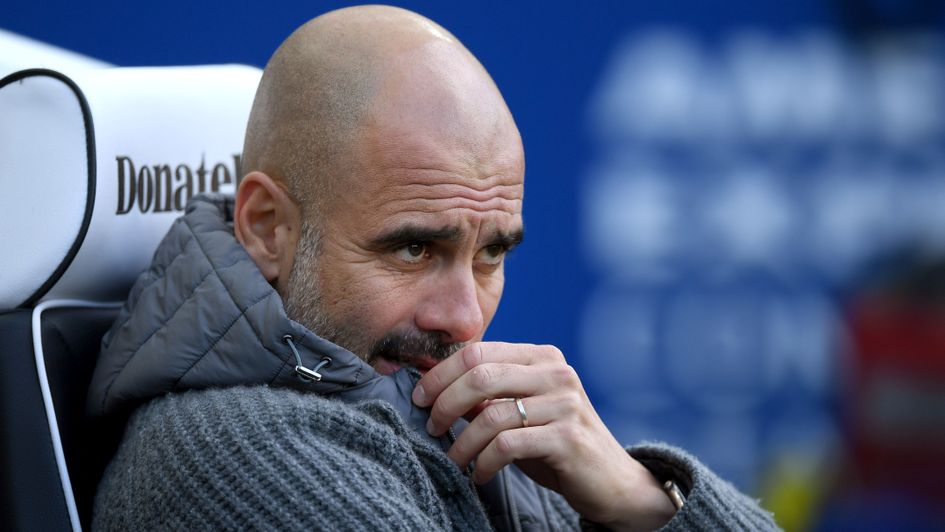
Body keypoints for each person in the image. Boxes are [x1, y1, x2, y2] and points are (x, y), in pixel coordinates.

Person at [87, 5, 778, 531]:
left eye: (490, 254)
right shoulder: (235, 456)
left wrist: (640, 498)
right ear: (268, 229)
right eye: (413, 249)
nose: (464, 317)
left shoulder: (449, 421)